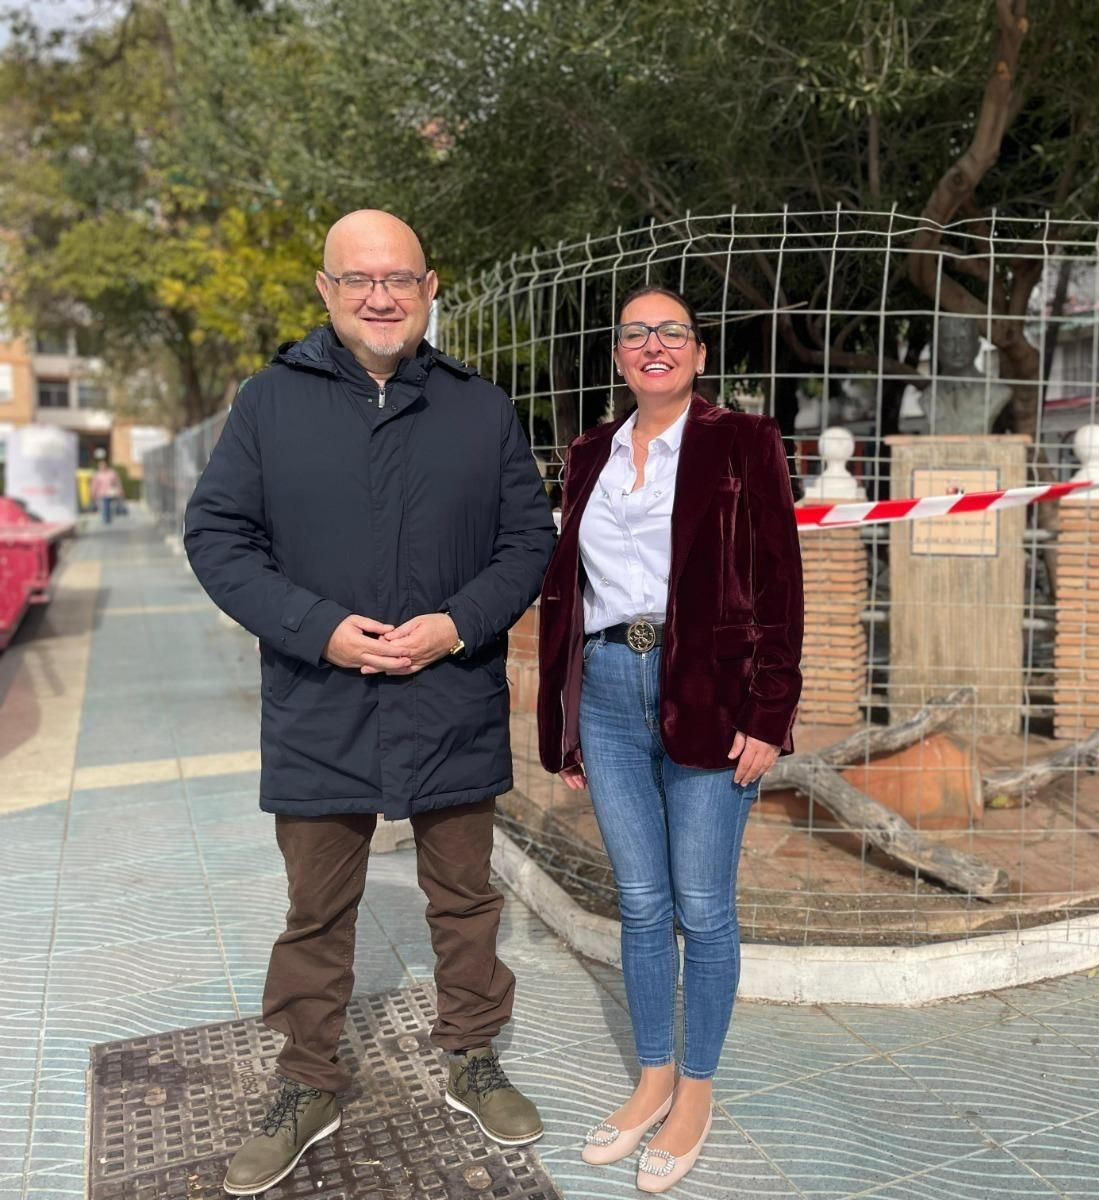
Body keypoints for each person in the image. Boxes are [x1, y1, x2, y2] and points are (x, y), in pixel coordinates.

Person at [184, 209, 557, 1196]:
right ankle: (308, 1080)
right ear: (325, 290)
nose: (381, 296)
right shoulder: (269, 404)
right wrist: (318, 628)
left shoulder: (481, 409)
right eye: (359, 280)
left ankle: (472, 1057)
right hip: (321, 698)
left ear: (430, 289)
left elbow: (528, 542)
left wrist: (455, 624)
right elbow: (218, 537)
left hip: (450, 693)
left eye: (399, 279)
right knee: (316, 912)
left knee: (467, 900)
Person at [536, 285, 804, 1193]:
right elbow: (569, 595)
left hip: (711, 698)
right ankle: (653, 1076)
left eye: (672, 332)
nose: (654, 345)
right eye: (636, 335)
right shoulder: (588, 457)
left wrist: (770, 716)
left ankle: (696, 1091)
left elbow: (781, 587)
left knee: (703, 907)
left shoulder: (742, 442)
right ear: (618, 357)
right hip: (608, 694)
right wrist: (564, 720)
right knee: (642, 903)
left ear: (696, 351)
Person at [89, 457, 122, 525]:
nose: (102, 467)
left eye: (103, 465)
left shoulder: (112, 473)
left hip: (111, 493)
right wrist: (92, 493)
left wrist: (120, 490)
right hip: (101, 494)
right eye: (101, 466)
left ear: (106, 466)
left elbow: (117, 482)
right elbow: (94, 485)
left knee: (108, 505)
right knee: (105, 505)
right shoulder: (97, 475)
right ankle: (106, 518)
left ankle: (107, 517)